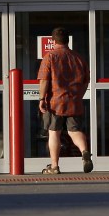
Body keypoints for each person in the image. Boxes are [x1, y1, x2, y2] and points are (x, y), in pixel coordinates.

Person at [36, 27, 93, 174]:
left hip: (55, 102)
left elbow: (44, 80)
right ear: (67, 40)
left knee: (54, 132)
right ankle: (85, 152)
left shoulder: (50, 57)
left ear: (53, 41)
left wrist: (42, 98)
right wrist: (79, 95)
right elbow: (86, 81)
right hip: (74, 101)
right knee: (75, 131)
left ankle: (54, 166)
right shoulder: (78, 57)